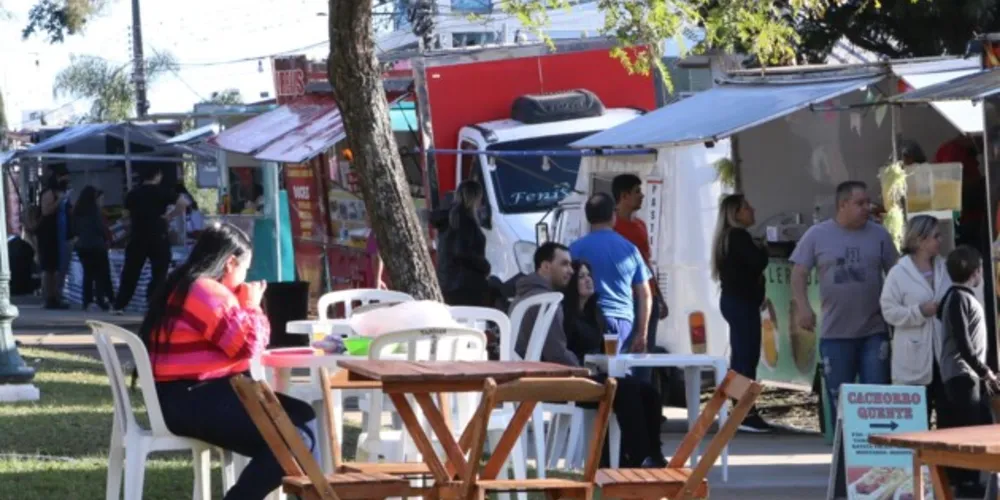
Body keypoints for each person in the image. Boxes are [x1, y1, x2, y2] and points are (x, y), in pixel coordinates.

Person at [139, 223, 316, 500]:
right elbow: (248, 346)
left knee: (303, 420)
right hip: (194, 401)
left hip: (183, 399)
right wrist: (251, 305)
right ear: (230, 263)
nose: (246, 278)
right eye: (245, 269)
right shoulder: (206, 291)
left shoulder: (183, 283)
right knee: (297, 440)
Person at [510, 242, 666, 468]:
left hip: (540, 379)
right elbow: (556, 353)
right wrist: (586, 372)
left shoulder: (528, 295)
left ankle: (650, 457)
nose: (570, 271)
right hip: (549, 383)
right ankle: (637, 460)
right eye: (564, 264)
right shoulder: (545, 300)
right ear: (544, 266)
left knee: (647, 391)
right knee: (627, 389)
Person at [790, 181, 898, 420]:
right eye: (860, 203)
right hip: (835, 333)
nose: (867, 208)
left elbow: (897, 273)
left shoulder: (879, 235)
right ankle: (844, 455)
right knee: (841, 402)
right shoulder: (817, 235)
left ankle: (876, 452)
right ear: (842, 205)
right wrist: (803, 308)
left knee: (876, 396)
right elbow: (798, 273)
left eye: (867, 202)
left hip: (874, 331)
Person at [937, 245, 997, 497]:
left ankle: (966, 479)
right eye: (981, 269)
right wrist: (985, 371)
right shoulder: (959, 299)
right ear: (974, 272)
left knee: (976, 421)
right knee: (969, 428)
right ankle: (966, 481)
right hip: (962, 374)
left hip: (965, 374)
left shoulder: (958, 297)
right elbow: (964, 342)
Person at [879, 216, 950, 425]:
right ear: (919, 240)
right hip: (913, 358)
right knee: (917, 422)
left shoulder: (944, 268)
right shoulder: (898, 273)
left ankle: (944, 459)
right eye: (936, 236)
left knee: (948, 419)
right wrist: (919, 311)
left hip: (943, 356)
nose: (941, 240)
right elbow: (889, 311)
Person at [711, 193, 771, 432]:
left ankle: (739, 407)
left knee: (740, 355)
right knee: (746, 356)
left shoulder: (727, 238)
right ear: (736, 213)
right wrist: (764, 248)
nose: (752, 210)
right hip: (741, 303)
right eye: (747, 208)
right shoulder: (738, 237)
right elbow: (757, 262)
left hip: (735, 301)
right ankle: (744, 411)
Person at [570, 192, 652, 354]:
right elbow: (644, 294)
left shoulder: (575, 249)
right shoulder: (630, 249)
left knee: (591, 372)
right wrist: (642, 333)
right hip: (623, 322)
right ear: (613, 215)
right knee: (618, 374)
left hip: (589, 321)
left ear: (588, 218)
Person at [113, 167, 187, 314]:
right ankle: (153, 302)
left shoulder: (133, 193)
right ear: (157, 176)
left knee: (131, 272)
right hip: (158, 234)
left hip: (137, 235)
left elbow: (125, 216)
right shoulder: (162, 191)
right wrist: (169, 216)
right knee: (159, 271)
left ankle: (120, 305)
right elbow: (183, 203)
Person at [611, 174, 669, 358]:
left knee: (646, 353)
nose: (642, 195)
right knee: (626, 353)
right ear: (624, 195)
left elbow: (646, 264)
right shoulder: (612, 225)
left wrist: (658, 295)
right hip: (625, 298)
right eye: (637, 191)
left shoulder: (641, 225)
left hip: (647, 296)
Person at [438, 180, 490, 306]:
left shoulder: (448, 219)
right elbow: (462, 251)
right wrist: (484, 265)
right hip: (466, 285)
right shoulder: (466, 221)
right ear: (476, 198)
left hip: (448, 282)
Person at [73, 186, 115, 311]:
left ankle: (87, 301)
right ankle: (104, 299)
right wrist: (107, 238)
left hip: (82, 246)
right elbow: (100, 227)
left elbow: (74, 229)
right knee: (102, 274)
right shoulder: (95, 210)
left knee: (88, 274)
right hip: (96, 245)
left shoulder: (77, 211)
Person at [36, 166, 73, 309]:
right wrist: (60, 200)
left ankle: (56, 295)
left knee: (57, 267)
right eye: (63, 177)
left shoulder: (61, 192)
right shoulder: (49, 193)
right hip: (49, 232)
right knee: (49, 267)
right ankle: (49, 297)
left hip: (60, 232)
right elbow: (46, 211)